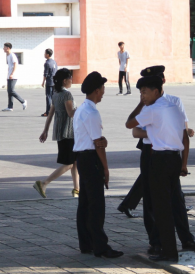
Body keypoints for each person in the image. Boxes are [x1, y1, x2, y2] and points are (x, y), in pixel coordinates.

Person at [119, 66, 195, 254]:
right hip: (151, 149)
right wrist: (160, 130)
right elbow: (135, 132)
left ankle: (184, 240)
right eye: (141, 91)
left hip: (164, 153)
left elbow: (184, 132)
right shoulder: (150, 105)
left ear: (160, 84)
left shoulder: (173, 102)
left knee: (174, 200)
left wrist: (184, 161)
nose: (143, 94)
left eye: (146, 90)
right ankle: (156, 241)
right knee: (151, 199)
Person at [73, 71, 123, 258]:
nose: (103, 92)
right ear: (96, 90)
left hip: (81, 158)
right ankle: (101, 246)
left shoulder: (81, 109)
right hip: (91, 159)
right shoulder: (92, 112)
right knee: (96, 205)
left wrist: (102, 141)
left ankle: (86, 243)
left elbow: (97, 139)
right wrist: (106, 168)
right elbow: (98, 144)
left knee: (85, 203)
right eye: (102, 89)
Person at [36, 68, 79, 198]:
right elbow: (71, 113)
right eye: (70, 78)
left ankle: (77, 189)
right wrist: (83, 108)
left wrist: (45, 130)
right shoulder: (67, 95)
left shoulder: (56, 94)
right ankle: (44, 183)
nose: (72, 80)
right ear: (65, 81)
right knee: (69, 163)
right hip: (68, 132)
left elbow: (50, 113)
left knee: (75, 161)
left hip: (60, 131)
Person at [2, 42, 26, 112]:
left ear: (8, 48)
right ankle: (10, 107)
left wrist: (12, 74)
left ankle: (23, 101)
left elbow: (15, 64)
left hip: (13, 76)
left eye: (4, 47)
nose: (3, 48)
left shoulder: (12, 55)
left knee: (11, 91)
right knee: (9, 91)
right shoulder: (8, 55)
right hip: (9, 75)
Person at [41, 48, 57, 117]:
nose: (44, 54)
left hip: (49, 82)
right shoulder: (54, 62)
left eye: (45, 53)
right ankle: (55, 111)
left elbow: (46, 74)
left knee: (48, 97)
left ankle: (48, 112)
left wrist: (43, 82)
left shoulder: (47, 63)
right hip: (55, 82)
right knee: (54, 97)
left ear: (47, 54)